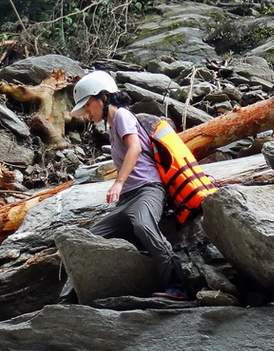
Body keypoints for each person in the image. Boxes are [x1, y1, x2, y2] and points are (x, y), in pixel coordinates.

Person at [64, 70, 189, 301]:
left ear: (103, 97)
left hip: (148, 189)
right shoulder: (112, 126)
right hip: (128, 199)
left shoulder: (122, 116)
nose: (87, 113)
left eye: (88, 105)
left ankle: (177, 284)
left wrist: (118, 182)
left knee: (143, 225)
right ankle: (69, 295)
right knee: (90, 236)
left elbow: (135, 148)